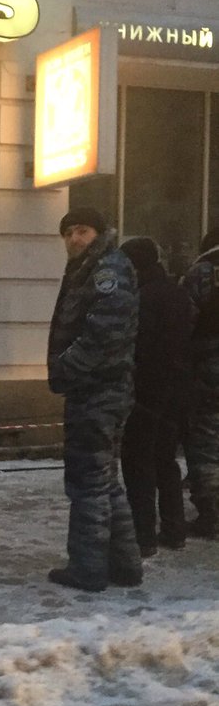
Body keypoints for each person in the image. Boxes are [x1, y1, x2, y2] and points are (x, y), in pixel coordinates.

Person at [47, 206, 141, 591]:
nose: (74, 239)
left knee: (87, 482)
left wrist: (66, 368)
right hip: (97, 390)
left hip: (99, 391)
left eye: (81, 231)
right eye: (68, 233)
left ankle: (87, 569)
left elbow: (104, 334)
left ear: (97, 233)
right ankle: (126, 566)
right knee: (105, 481)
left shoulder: (107, 270)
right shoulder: (87, 268)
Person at [119, 238, 194, 555]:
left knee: (137, 461)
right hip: (177, 388)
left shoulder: (141, 298)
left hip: (147, 391)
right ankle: (174, 529)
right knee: (165, 459)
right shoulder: (177, 292)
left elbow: (140, 347)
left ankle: (143, 535)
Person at [181, 227, 219, 539]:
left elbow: (183, 324)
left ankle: (211, 516)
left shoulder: (201, 274)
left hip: (208, 371)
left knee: (205, 444)